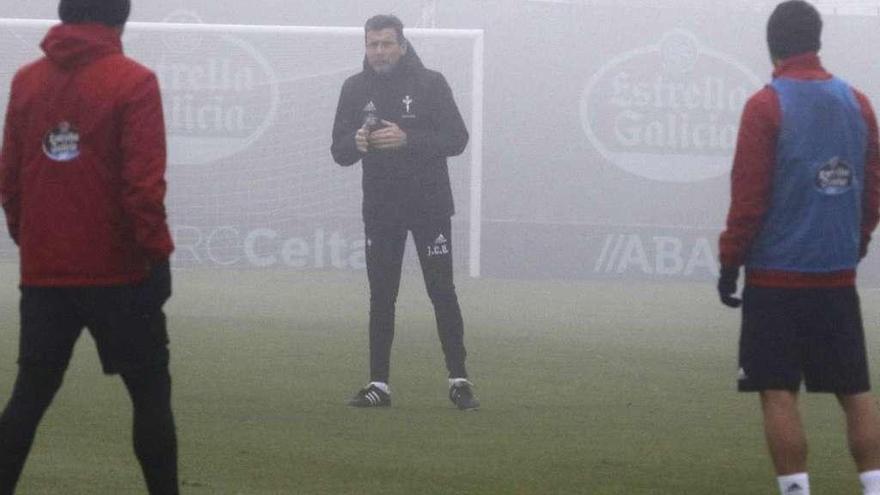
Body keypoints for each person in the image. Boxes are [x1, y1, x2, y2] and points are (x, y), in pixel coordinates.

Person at [0, 0, 179, 493]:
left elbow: (10, 181)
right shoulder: (133, 81)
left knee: (28, 397)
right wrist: (157, 256)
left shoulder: (26, 81)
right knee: (149, 395)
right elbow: (142, 187)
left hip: (45, 275)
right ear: (120, 19)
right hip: (119, 273)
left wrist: (31, 242)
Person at [718, 1, 880, 494]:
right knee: (855, 391)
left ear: (773, 46)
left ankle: (796, 491)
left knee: (778, 391)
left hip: (775, 279)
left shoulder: (765, 105)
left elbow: (749, 197)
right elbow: (872, 188)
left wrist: (730, 264)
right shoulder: (858, 103)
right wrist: (856, 243)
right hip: (835, 276)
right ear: (817, 42)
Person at [331, 14, 479, 410]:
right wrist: (357, 141)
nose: (378, 51)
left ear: (402, 45)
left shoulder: (431, 83)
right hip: (380, 210)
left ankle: (459, 380)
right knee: (381, 296)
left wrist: (408, 138)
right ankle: (379, 385)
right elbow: (338, 150)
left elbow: (457, 139)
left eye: (385, 43)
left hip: (429, 208)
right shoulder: (354, 88)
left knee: (441, 291)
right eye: (372, 44)